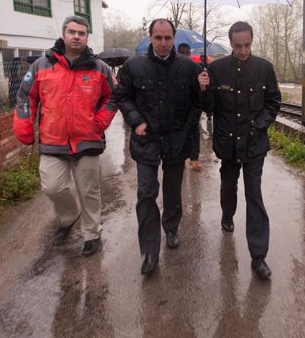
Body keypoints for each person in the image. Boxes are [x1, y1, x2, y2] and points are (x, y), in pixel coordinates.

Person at [13, 15, 117, 256]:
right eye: (72, 32)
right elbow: (25, 97)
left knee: (89, 190)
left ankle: (92, 233)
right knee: (53, 187)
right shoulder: (42, 65)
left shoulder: (98, 68)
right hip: (53, 140)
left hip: (87, 139)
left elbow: (113, 96)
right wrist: (24, 126)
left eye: (81, 33)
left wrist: (100, 120)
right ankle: (69, 217)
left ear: (87, 37)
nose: (76, 36)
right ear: (63, 34)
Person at [114, 18, 201, 276]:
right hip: (146, 140)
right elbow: (122, 96)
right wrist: (136, 120)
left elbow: (199, 103)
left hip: (176, 140)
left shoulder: (187, 67)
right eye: (158, 38)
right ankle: (150, 250)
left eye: (168, 38)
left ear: (174, 39)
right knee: (146, 193)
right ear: (150, 38)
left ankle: (171, 227)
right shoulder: (133, 67)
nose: (163, 43)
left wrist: (187, 128)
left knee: (173, 190)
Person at [198, 21, 281, 279]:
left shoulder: (264, 69)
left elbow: (273, 102)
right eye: (237, 46)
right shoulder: (216, 69)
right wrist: (203, 88)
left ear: (252, 41)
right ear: (231, 43)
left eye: (246, 45)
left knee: (254, 194)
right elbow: (209, 108)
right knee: (228, 185)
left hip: (254, 142)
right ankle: (227, 214)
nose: (242, 50)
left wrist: (259, 124)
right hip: (227, 142)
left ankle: (258, 257)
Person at [177, 42, 202, 172]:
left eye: (187, 53)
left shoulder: (196, 67)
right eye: (183, 53)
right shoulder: (174, 67)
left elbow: (201, 90)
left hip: (193, 106)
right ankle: (180, 158)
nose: (186, 56)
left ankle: (194, 158)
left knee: (194, 132)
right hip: (178, 108)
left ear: (190, 54)